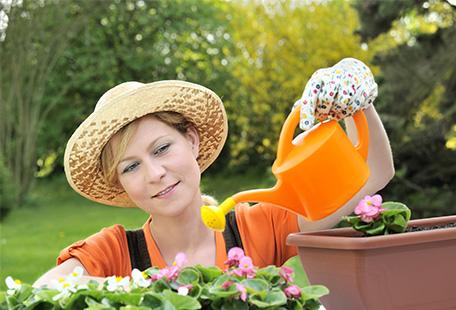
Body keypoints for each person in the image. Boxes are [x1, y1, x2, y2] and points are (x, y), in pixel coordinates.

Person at [34, 58, 394, 287]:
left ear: (190, 141)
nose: (155, 173)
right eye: (131, 167)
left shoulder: (258, 229)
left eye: (161, 148)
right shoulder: (114, 253)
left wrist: (356, 100)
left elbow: (373, 174)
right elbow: (39, 294)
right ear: (121, 185)